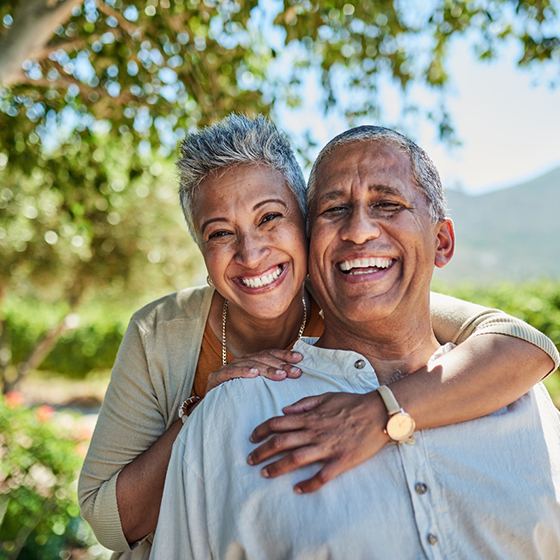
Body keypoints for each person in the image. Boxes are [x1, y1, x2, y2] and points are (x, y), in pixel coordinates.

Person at [78, 115, 559, 559]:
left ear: (302, 227)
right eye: (220, 234)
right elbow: (108, 519)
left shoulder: (361, 290)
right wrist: (202, 405)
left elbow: (519, 342)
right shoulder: (168, 339)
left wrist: (382, 412)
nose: (252, 253)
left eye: (270, 218)